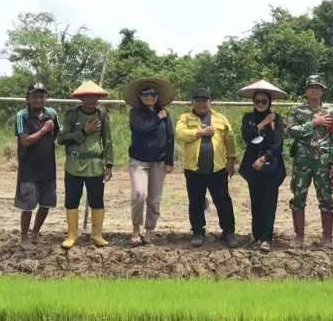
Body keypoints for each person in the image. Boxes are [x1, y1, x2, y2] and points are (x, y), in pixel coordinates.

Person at [175, 87, 239, 249]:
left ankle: (229, 232)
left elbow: (229, 138)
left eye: (204, 100)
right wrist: (201, 132)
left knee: (223, 200)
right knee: (195, 201)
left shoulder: (220, 118)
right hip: (193, 170)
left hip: (217, 169)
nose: (201, 104)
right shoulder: (185, 118)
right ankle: (198, 232)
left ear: (210, 102)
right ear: (192, 102)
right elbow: (179, 134)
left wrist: (231, 159)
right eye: (198, 100)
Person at [57, 81, 113, 249]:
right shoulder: (71, 116)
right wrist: (83, 132)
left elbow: (108, 141)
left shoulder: (102, 116)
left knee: (97, 200)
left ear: (98, 98)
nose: (91, 99)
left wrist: (108, 164)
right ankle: (72, 235)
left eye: (94, 96)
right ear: (81, 98)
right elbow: (61, 139)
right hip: (74, 165)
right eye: (87, 96)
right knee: (72, 199)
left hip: (95, 166)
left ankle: (97, 235)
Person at [287, 75, 333, 248]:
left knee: (326, 197)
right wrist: (313, 123)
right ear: (305, 91)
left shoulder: (331, 111)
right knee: (298, 196)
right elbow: (291, 132)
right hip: (302, 160)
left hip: (323, 162)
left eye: (318, 87)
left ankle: (327, 237)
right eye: (311, 87)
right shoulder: (296, 110)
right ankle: (299, 236)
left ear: (323, 90)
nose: (314, 90)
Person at [123, 77, 176, 246]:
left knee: (154, 200)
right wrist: (157, 118)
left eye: (153, 93)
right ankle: (136, 229)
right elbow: (140, 129)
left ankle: (148, 232)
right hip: (138, 160)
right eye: (145, 93)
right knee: (140, 194)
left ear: (157, 96)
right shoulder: (135, 113)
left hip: (159, 162)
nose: (149, 96)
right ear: (139, 96)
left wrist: (169, 161)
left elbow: (170, 137)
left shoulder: (165, 113)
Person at [237, 80, 288, 252]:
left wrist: (264, 158)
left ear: (269, 102)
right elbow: (247, 136)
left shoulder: (277, 119)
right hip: (252, 167)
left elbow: (278, 145)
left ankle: (267, 238)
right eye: (257, 101)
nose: (260, 104)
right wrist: (264, 122)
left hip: (271, 167)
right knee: (255, 202)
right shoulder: (248, 118)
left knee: (268, 203)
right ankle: (256, 236)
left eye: (263, 101)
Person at [14, 83, 60, 250]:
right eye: (34, 96)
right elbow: (25, 141)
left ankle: (35, 234)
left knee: (46, 203)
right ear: (28, 98)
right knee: (28, 205)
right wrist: (43, 130)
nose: (38, 99)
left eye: (41, 96)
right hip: (29, 169)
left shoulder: (52, 114)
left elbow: (55, 135)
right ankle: (24, 236)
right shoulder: (22, 116)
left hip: (48, 167)